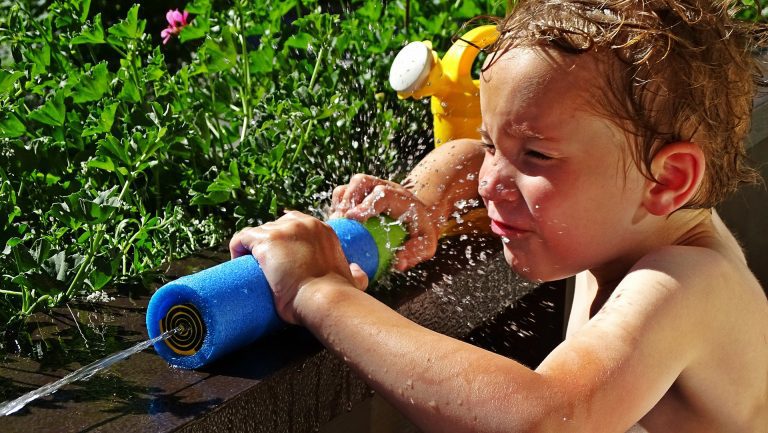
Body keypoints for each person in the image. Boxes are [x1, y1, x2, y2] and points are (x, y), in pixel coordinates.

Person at [229, 1, 768, 431]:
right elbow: (466, 155)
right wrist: (424, 198)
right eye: (495, 145)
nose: (490, 180)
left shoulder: (688, 286)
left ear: (668, 180)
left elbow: (542, 420)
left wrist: (319, 292)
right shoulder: (622, 214)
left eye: (535, 155)